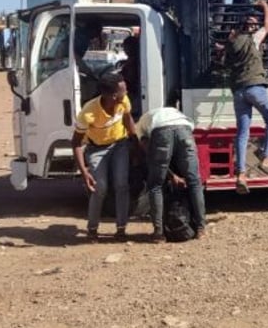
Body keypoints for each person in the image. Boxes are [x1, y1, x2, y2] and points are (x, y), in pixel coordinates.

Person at [71, 73, 138, 240]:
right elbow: (76, 143)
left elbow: (128, 119)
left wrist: (136, 145)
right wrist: (84, 172)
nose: (127, 91)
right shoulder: (88, 113)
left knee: (121, 185)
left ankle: (121, 229)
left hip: (119, 145)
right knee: (99, 188)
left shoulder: (124, 101)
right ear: (113, 95)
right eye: (123, 89)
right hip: (96, 149)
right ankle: (92, 229)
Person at [226, 0, 268, 194]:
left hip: (238, 91)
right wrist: (265, 6)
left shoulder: (232, 42)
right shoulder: (253, 39)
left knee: (242, 132)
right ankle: (266, 158)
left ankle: (241, 174)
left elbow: (224, 59)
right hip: (255, 86)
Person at [136, 106, 206, 241]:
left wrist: (170, 175)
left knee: (156, 185)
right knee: (195, 183)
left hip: (162, 130)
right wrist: (173, 175)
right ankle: (201, 229)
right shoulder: (169, 113)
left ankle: (159, 233)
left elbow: (149, 152)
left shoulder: (139, 127)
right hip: (185, 129)